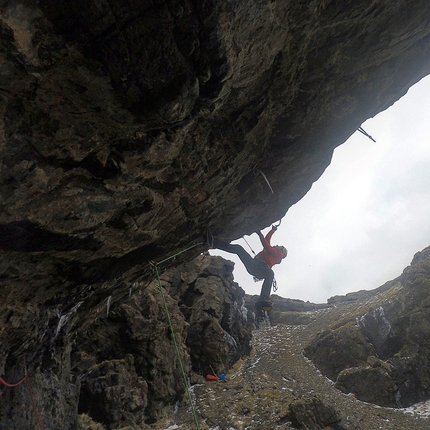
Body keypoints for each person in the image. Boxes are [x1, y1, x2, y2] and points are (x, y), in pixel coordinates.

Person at [209, 226, 287, 306]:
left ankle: (264, 297)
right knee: (239, 249)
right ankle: (214, 243)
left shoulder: (279, 255)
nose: (277, 245)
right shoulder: (270, 252)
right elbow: (266, 241)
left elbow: (267, 245)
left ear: (281, 251)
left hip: (260, 267)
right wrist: (272, 230)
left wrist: (260, 234)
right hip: (255, 266)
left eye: (279, 246)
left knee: (270, 273)